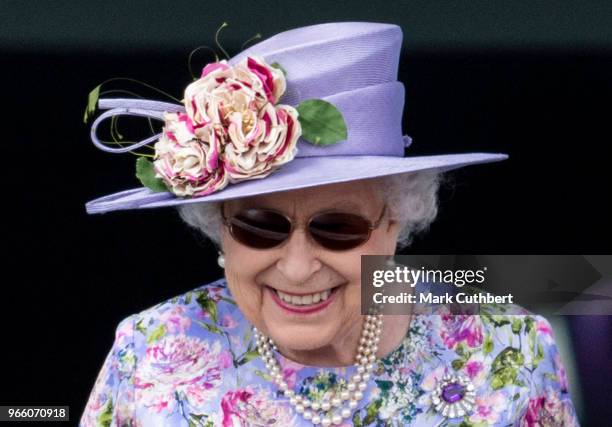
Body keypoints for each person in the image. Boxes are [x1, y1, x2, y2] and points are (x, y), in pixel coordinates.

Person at [80, 22, 578, 426]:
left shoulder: (510, 349)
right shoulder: (149, 351)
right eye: (260, 227)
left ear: (395, 224)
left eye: (338, 228)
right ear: (219, 227)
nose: (297, 269)